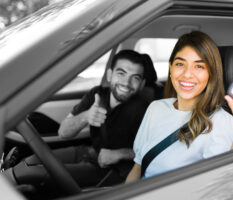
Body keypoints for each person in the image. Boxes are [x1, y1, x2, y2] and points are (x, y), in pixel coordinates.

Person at [125, 31, 233, 181]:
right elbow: (138, 168)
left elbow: (223, 183)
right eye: (180, 64)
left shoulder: (221, 122)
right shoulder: (156, 108)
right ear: (171, 68)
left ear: (211, 74)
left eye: (199, 67)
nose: (187, 74)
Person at [5, 50, 153, 189]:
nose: (126, 83)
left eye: (135, 78)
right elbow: (63, 132)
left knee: (33, 173)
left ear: (142, 84)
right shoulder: (97, 94)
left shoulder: (146, 110)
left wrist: (119, 154)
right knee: (31, 161)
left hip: (111, 169)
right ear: (109, 75)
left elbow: (155, 150)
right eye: (121, 73)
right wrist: (86, 116)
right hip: (89, 151)